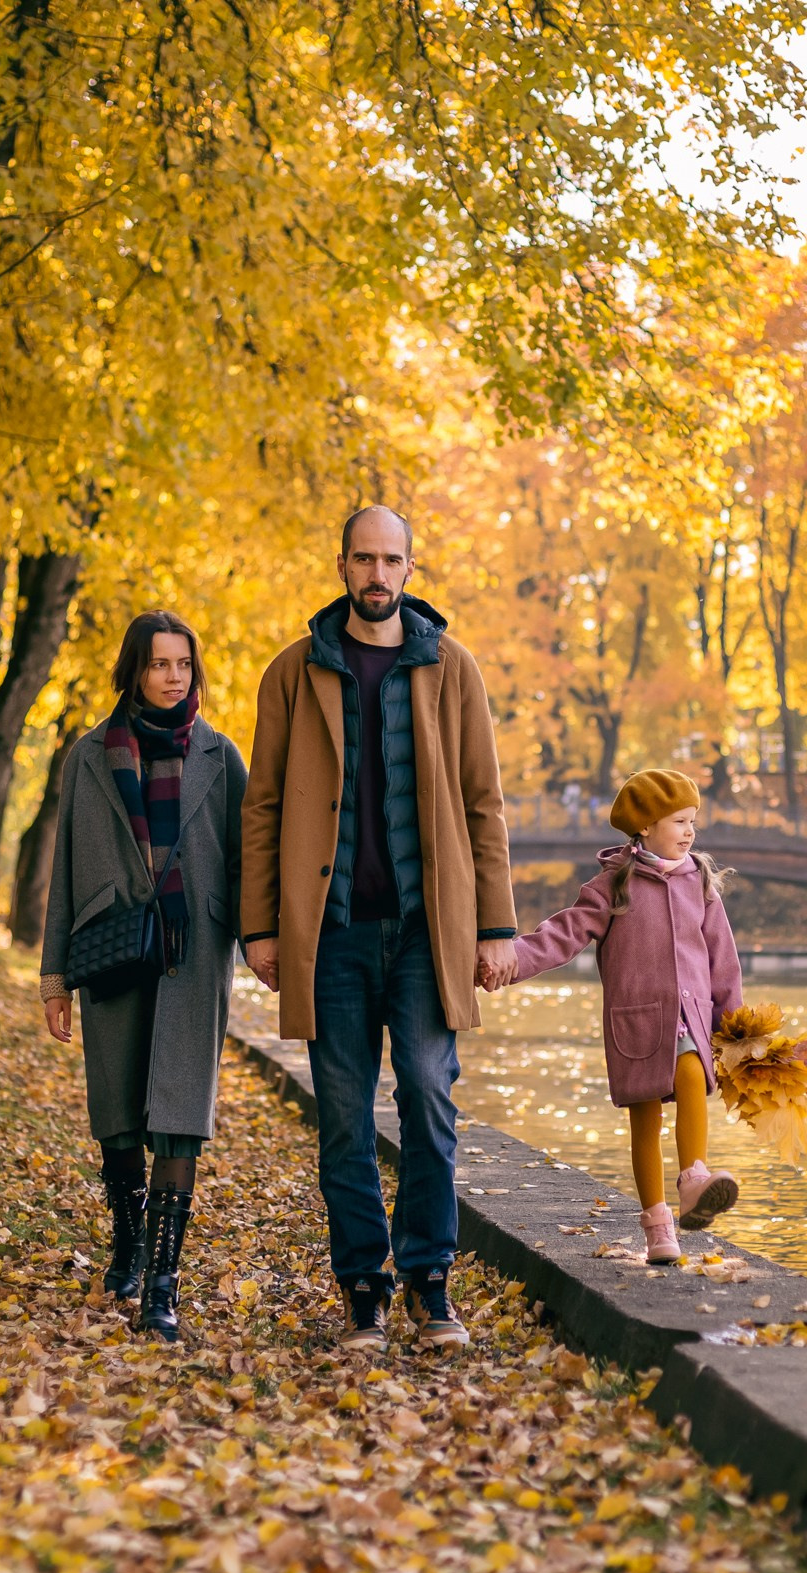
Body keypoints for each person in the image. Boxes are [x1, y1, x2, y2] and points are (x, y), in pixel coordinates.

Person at [243, 504, 517, 1353]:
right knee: (344, 1118)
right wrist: (260, 927)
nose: (376, 574)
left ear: (409, 567)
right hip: (328, 935)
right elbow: (263, 806)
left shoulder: (451, 668)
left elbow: (483, 803)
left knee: (430, 1098)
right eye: (363, 557)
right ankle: (365, 1287)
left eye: (390, 559)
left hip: (427, 934)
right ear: (342, 564)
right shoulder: (294, 672)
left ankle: (431, 1283)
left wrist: (497, 926)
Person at [40, 610, 246, 1342]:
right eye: (159, 664)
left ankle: (163, 1281)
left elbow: (248, 857)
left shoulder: (221, 756)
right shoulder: (89, 755)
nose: (172, 677)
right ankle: (126, 1242)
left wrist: (268, 945)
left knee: (179, 1120)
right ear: (134, 669)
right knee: (120, 1116)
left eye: (183, 664)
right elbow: (64, 867)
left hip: (194, 955)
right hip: (113, 946)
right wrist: (54, 975)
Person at [503, 769, 745, 1264]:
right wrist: (511, 960)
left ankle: (695, 1176)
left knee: (693, 1072)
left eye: (693, 821)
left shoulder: (700, 881)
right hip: (637, 1022)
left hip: (691, 1018)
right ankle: (658, 1227)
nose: (689, 831)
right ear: (646, 826)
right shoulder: (614, 884)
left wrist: (736, 1026)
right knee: (645, 1121)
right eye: (679, 821)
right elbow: (562, 934)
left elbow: (724, 958)